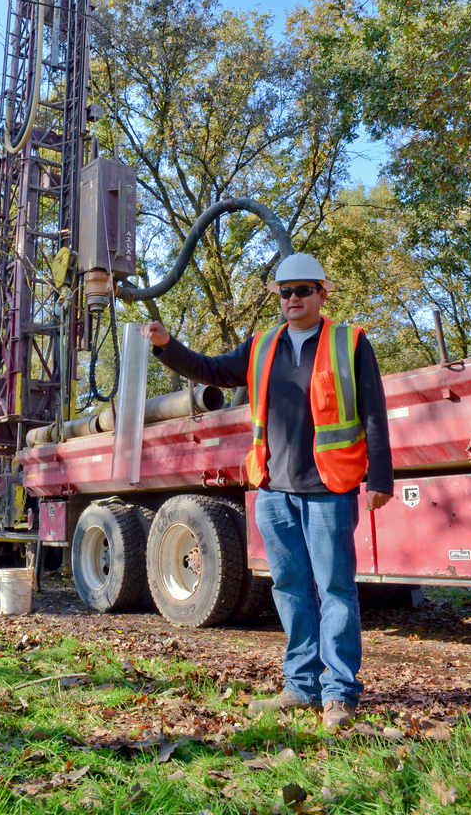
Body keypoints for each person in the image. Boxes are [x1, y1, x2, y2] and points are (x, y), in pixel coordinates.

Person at [141, 252, 393, 729]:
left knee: (336, 590)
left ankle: (339, 694)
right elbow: (211, 370)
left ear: (323, 292)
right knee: (291, 589)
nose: (293, 299)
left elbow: (374, 412)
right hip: (274, 492)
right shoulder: (260, 346)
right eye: (285, 292)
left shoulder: (351, 342)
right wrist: (167, 345)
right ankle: (301, 687)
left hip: (329, 489)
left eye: (303, 290)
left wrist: (380, 476)